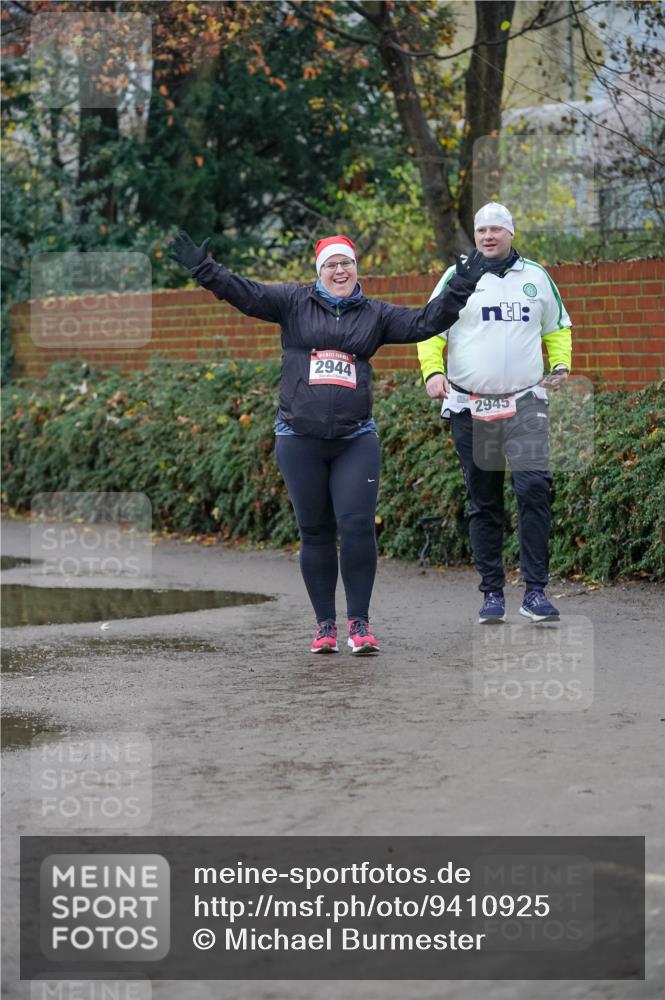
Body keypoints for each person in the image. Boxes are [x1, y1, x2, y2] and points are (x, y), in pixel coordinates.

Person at [169, 230, 490, 654]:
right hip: (298, 439)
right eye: (331, 265)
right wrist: (204, 269)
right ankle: (325, 626)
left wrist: (460, 286)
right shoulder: (293, 302)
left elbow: (424, 322)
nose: (340, 271)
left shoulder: (375, 315)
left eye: (347, 264)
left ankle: (360, 623)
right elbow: (244, 294)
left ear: (357, 268)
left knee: (357, 527)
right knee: (315, 531)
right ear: (319, 271)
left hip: (355, 438)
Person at [417, 202, 572, 624]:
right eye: (481, 229)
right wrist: (433, 371)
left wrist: (560, 365)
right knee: (484, 500)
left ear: (511, 233)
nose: (487, 236)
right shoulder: (458, 276)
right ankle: (492, 594)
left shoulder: (536, 277)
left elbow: (557, 326)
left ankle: (536, 592)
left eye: (495, 229)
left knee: (533, 488)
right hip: (472, 405)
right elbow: (431, 327)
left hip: (525, 402)